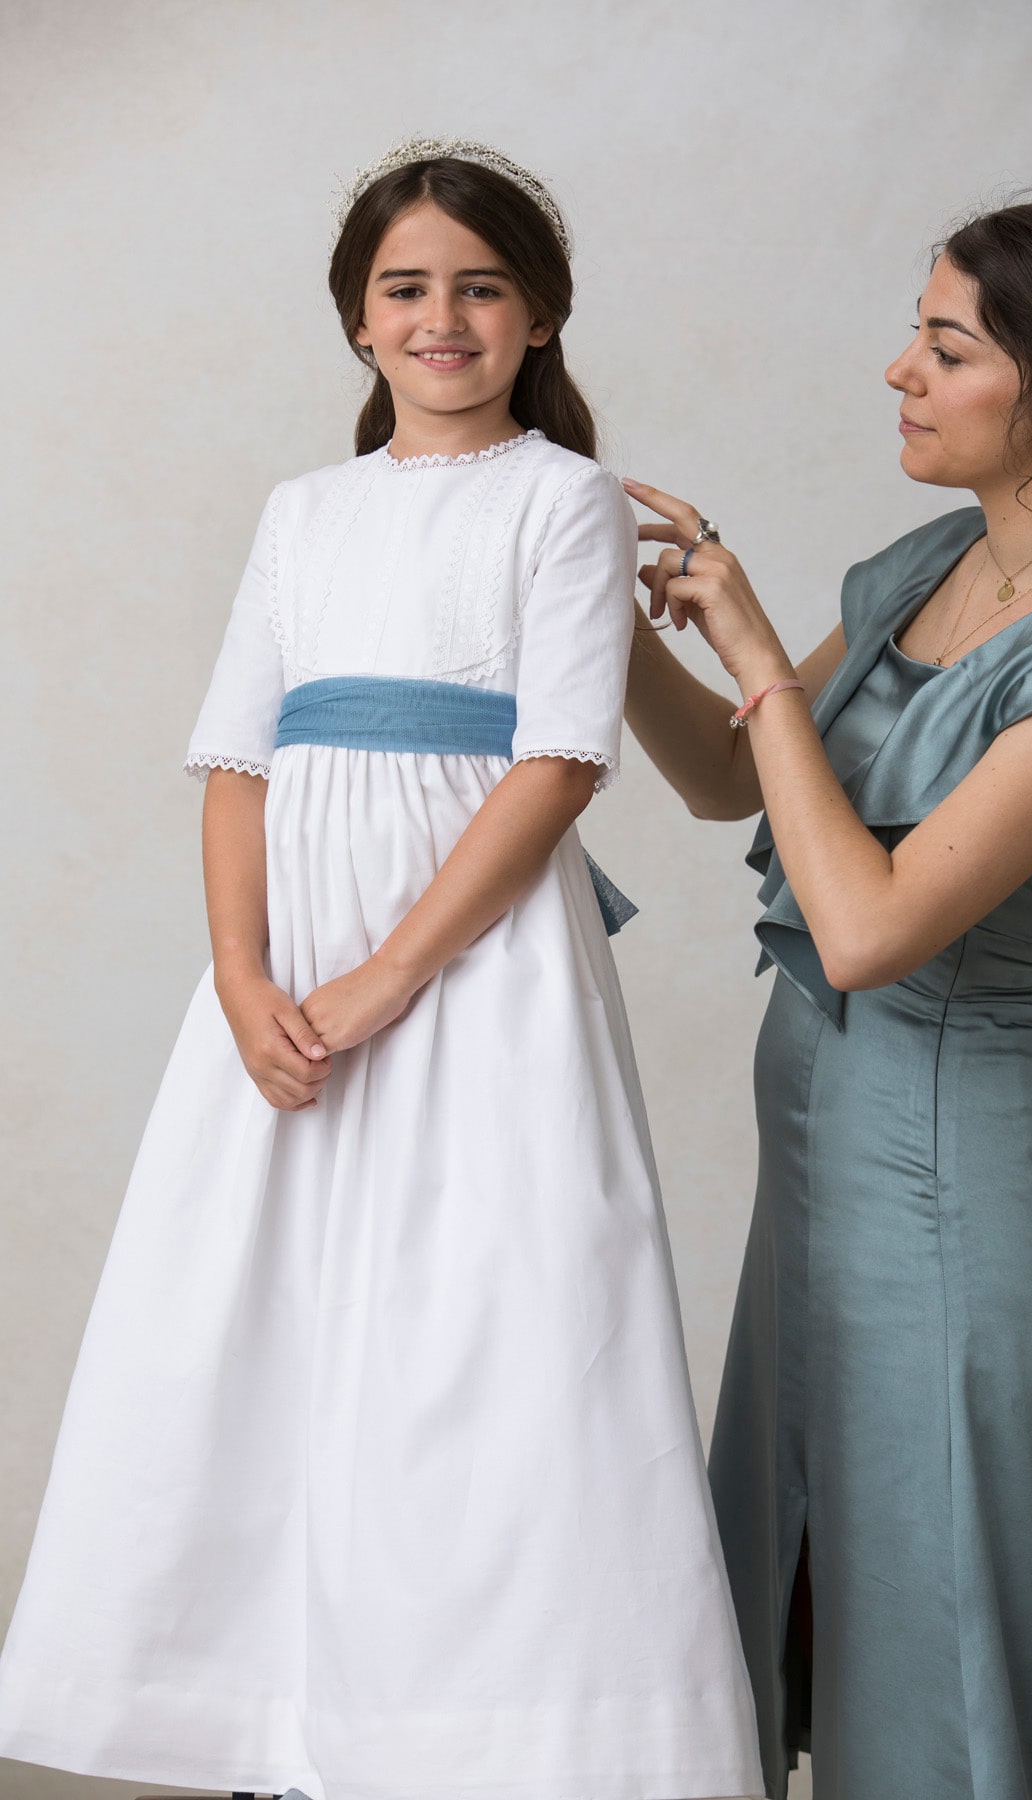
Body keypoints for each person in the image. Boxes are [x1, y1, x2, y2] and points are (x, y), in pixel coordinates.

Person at [0, 139, 763, 1800]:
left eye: (482, 286)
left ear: (542, 312)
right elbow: (236, 762)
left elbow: (560, 761)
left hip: (471, 981)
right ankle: (289, 1729)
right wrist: (242, 973)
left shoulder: (562, 496)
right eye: (408, 288)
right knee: (270, 1330)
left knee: (484, 1338)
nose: (444, 318)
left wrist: (389, 979)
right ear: (356, 319)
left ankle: (487, 1741)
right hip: (280, 996)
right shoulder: (306, 513)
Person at [622, 189, 1032, 1800]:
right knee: (798, 1592)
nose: (900, 370)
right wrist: (602, 617)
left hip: (953, 1203)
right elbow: (735, 781)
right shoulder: (937, 559)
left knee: (934, 1655)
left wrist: (747, 639)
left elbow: (867, 926)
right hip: (820, 1196)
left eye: (948, 348)